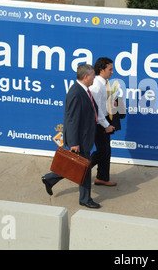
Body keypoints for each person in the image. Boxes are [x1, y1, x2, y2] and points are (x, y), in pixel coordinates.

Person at [41, 64, 101, 209]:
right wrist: (74, 142)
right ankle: (85, 199)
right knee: (84, 168)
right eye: (93, 75)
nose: (95, 77)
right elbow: (72, 119)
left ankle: (50, 178)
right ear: (86, 77)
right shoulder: (76, 93)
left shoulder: (83, 90)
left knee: (78, 166)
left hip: (84, 137)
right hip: (80, 138)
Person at [90, 58, 117, 187]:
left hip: (104, 121)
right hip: (98, 124)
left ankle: (102, 177)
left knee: (106, 151)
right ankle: (78, 170)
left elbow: (102, 104)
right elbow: (96, 109)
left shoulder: (104, 83)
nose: (112, 72)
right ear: (101, 70)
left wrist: (112, 103)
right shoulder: (96, 85)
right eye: (110, 69)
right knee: (102, 152)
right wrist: (106, 125)